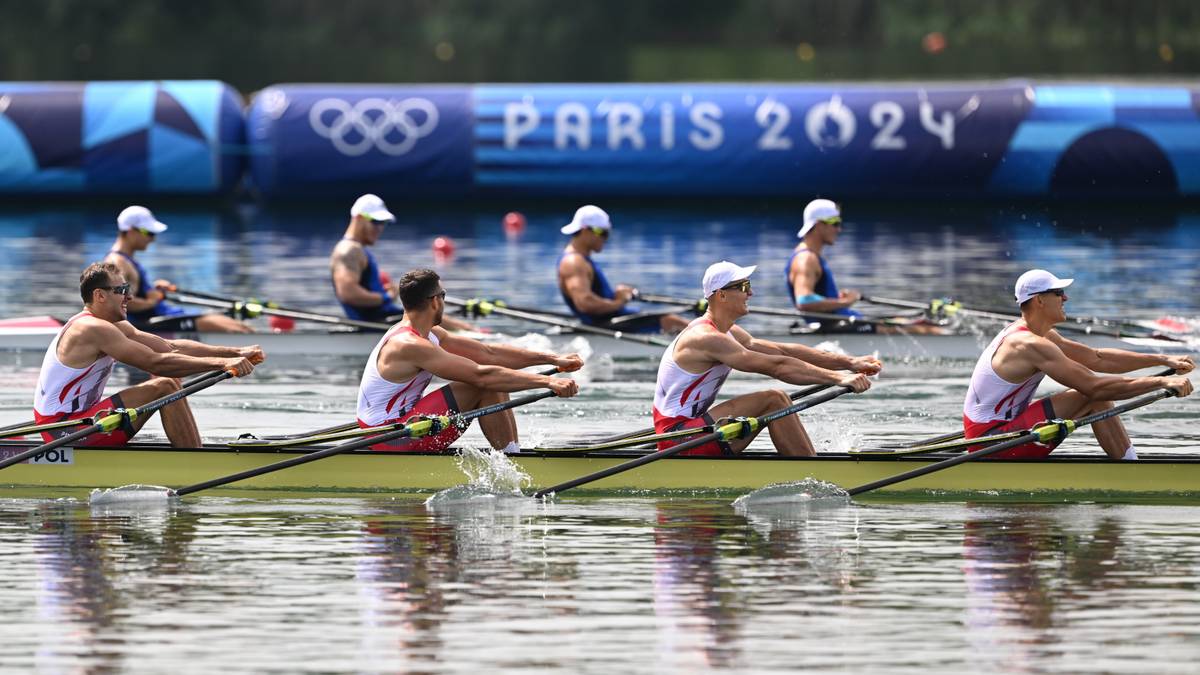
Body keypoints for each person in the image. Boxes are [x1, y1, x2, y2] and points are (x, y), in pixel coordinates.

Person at [651, 261, 880, 457]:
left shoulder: (728, 332)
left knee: (777, 399)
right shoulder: (705, 337)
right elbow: (778, 368)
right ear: (721, 295)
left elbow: (783, 352)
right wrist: (839, 378)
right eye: (744, 286)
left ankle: (808, 462)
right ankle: (813, 472)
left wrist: (850, 363)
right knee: (774, 399)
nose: (751, 293)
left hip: (693, 431)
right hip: (678, 438)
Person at [962, 269, 1194, 460]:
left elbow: (1097, 358)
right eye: (1059, 292)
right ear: (1039, 300)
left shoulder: (1040, 334)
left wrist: (1162, 359)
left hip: (1002, 430)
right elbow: (1094, 387)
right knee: (1093, 396)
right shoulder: (1027, 344)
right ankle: (1132, 469)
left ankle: (1129, 463)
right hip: (990, 442)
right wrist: (1162, 381)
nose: (1066, 298)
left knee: (1094, 395)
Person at [33, 262, 263, 448]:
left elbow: (168, 347)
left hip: (82, 423)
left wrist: (236, 352)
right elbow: (156, 363)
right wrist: (223, 364)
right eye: (122, 290)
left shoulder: (110, 325)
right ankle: (195, 461)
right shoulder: (91, 329)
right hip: (62, 431)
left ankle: (193, 451)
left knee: (169, 382)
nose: (129, 297)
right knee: (163, 385)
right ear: (100, 295)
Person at [356, 268, 583, 453]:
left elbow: (488, 353)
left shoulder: (429, 333)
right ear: (435, 301)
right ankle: (513, 461)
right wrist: (548, 382)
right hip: (390, 437)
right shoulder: (409, 344)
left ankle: (513, 453)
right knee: (481, 384)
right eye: (443, 295)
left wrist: (552, 359)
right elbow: (481, 376)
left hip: (406, 425)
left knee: (492, 375)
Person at [786, 199, 943, 334]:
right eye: (835, 223)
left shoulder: (808, 256)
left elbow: (810, 297)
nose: (839, 229)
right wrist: (846, 302)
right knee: (919, 328)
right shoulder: (805, 259)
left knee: (911, 321)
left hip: (841, 320)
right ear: (819, 225)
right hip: (834, 325)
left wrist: (833, 299)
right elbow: (804, 301)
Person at [330, 193, 471, 330]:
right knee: (430, 315)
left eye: (383, 223)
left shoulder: (358, 249)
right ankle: (477, 338)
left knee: (437, 314)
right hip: (376, 323)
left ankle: (473, 333)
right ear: (359, 218)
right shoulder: (348, 250)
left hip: (384, 317)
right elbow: (348, 293)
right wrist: (386, 297)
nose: (380, 228)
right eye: (376, 222)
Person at [104, 206, 253, 333]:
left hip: (161, 314)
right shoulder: (117, 264)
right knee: (221, 325)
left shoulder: (126, 260)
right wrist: (152, 301)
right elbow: (121, 302)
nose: (152, 238)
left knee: (226, 321)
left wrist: (153, 289)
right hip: (145, 323)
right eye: (149, 233)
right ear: (131, 231)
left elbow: (134, 292)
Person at [558, 205, 690, 333]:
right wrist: (619, 302)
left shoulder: (580, 259)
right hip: (602, 323)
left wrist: (616, 295)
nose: (605, 238)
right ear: (585, 230)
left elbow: (591, 297)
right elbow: (585, 303)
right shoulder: (573, 262)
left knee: (673, 319)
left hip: (607, 318)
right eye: (602, 232)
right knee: (671, 321)